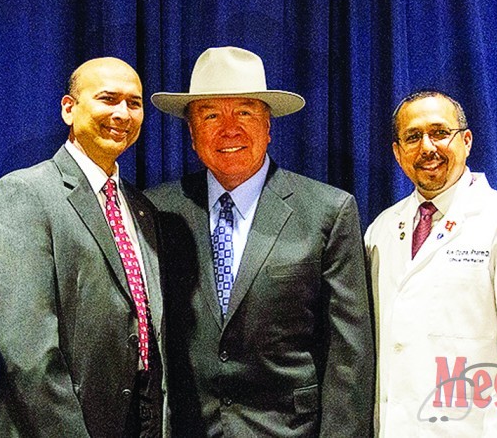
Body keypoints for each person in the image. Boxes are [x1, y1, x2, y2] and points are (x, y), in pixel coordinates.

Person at [146, 46, 374, 437]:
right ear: (191, 131)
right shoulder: (156, 211)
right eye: (211, 114)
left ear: (268, 126)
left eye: (245, 113)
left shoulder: (328, 210)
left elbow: (348, 357)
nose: (229, 128)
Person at [0, 57, 166, 437]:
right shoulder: (26, 193)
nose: (122, 113)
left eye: (134, 103)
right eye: (108, 99)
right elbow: (27, 352)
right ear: (69, 109)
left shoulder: (143, 207)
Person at [365, 90, 497, 436]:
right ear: (397, 152)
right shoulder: (381, 229)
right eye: (413, 137)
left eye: (439, 132)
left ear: (466, 141)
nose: (427, 147)